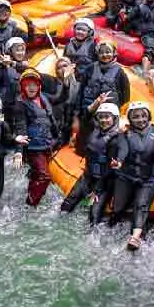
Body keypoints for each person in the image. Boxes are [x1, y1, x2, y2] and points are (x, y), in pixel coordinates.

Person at [108, 101, 154, 250]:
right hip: (127, 175)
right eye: (136, 117)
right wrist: (119, 162)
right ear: (130, 119)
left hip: (149, 178)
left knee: (141, 204)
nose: (140, 120)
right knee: (118, 208)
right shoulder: (124, 135)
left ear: (149, 116)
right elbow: (123, 150)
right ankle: (112, 226)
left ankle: (135, 237)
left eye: (143, 116)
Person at [60, 96, 120, 224]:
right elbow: (85, 116)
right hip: (87, 176)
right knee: (66, 205)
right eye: (101, 117)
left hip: (104, 182)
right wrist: (97, 103)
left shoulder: (116, 140)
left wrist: (96, 191)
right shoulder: (94, 129)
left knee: (93, 216)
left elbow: (109, 170)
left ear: (115, 119)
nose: (104, 120)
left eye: (107, 117)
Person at [11, 69, 62, 206]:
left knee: (36, 175)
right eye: (28, 84)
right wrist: (18, 152)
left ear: (39, 85)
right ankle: (30, 205)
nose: (32, 87)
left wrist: (66, 83)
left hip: (47, 143)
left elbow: (59, 98)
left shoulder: (43, 97)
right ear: (23, 86)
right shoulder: (20, 103)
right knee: (44, 176)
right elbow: (20, 128)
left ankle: (30, 195)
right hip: (33, 147)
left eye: (34, 84)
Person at [0, 37, 30, 126]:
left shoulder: (24, 66)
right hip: (2, 107)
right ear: (9, 51)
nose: (20, 53)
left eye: (22, 50)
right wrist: (2, 65)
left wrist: (11, 63)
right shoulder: (0, 63)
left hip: (17, 108)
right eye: (17, 50)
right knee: (0, 127)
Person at [80, 40, 130, 109]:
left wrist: (118, 106)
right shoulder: (90, 68)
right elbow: (81, 88)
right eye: (101, 52)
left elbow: (125, 95)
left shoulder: (120, 71)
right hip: (89, 107)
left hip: (109, 110)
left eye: (108, 52)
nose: (104, 55)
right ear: (97, 54)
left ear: (114, 53)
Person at [63, 18, 98, 83]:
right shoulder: (68, 45)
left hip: (86, 80)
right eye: (78, 29)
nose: (80, 32)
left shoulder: (93, 46)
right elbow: (64, 61)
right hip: (70, 78)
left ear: (89, 32)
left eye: (84, 30)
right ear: (74, 30)